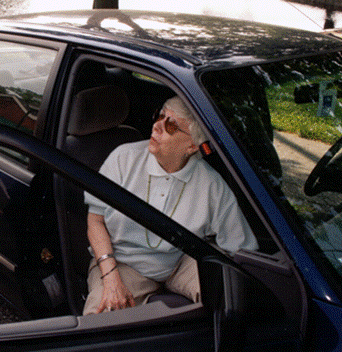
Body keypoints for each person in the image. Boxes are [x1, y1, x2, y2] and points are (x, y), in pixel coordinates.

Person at [83, 96, 258, 315]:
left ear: (192, 146)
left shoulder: (211, 184)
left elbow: (242, 248)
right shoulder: (122, 159)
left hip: (181, 261)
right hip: (123, 262)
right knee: (101, 320)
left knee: (233, 297)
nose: (157, 125)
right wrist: (110, 278)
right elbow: (95, 220)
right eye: (160, 115)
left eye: (171, 125)